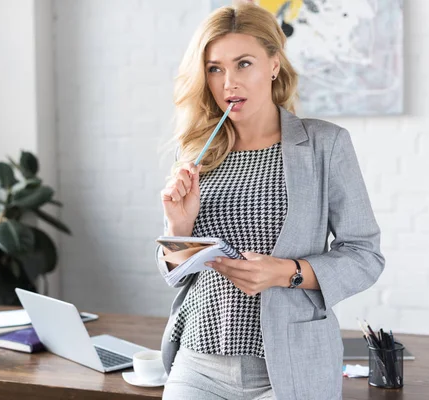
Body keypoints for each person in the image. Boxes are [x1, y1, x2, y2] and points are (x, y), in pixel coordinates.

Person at [155, 3, 385, 400]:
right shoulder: (195, 152)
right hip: (198, 361)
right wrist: (178, 227)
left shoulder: (325, 145)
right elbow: (178, 273)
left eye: (244, 63)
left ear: (274, 64)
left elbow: (365, 256)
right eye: (215, 68)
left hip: (290, 366)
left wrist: (286, 273)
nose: (229, 82)